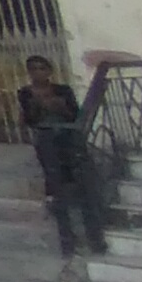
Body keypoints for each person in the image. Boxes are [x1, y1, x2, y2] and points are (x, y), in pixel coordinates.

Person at [17, 55, 107, 257]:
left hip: (68, 141)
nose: (39, 73)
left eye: (43, 68)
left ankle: (94, 238)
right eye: (34, 69)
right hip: (47, 142)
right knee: (56, 186)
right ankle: (67, 240)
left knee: (81, 184)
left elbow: (76, 115)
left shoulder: (62, 90)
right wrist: (38, 107)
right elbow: (29, 119)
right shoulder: (25, 93)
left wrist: (60, 107)